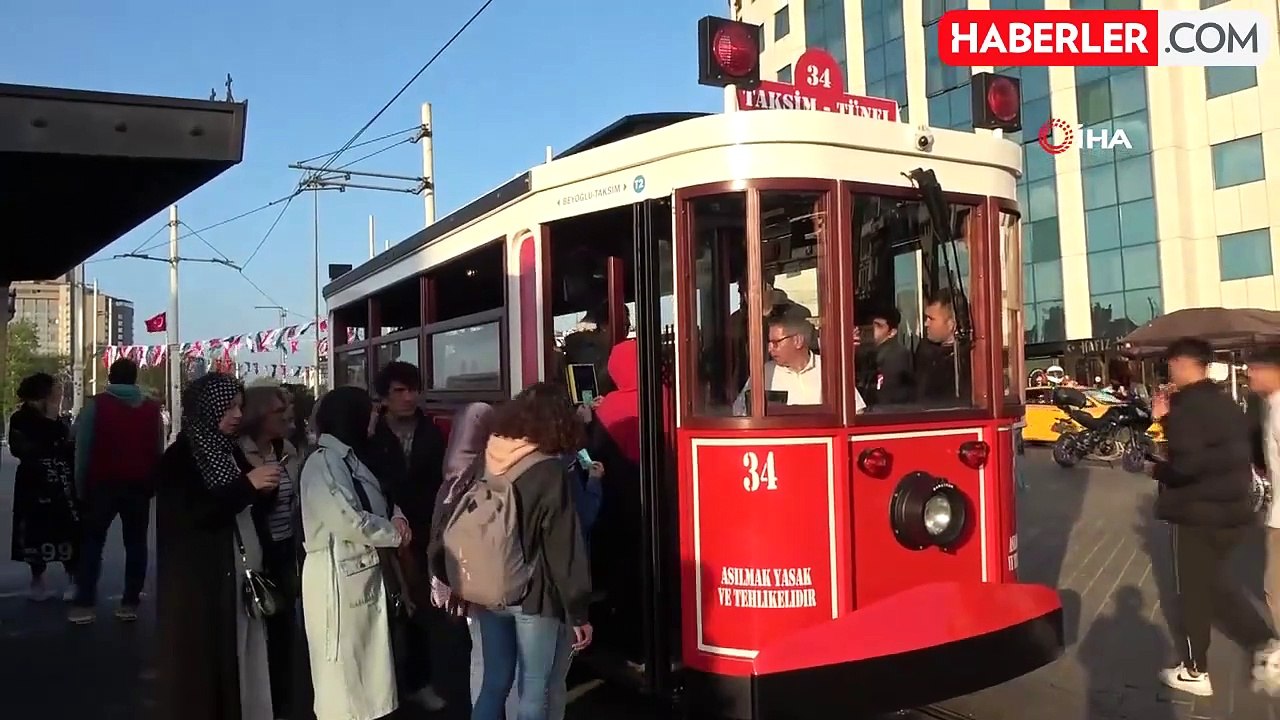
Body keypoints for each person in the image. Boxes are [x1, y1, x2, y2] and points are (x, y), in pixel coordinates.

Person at [1149, 337, 1277, 697]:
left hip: (1196, 510)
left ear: (1180, 364)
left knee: (1193, 591)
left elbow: (1185, 464)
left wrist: (1155, 468)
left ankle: (1196, 669)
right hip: (1233, 510)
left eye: (1171, 364)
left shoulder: (1187, 407)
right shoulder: (1226, 403)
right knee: (1215, 585)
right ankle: (1265, 644)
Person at [154, 373, 280, 720]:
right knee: (206, 665)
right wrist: (248, 487)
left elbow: (245, 507)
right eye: (227, 407)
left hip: (238, 577)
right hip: (203, 584)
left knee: (245, 657)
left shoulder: (228, 451)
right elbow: (194, 516)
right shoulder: (181, 459)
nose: (237, 414)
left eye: (239, 405)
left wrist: (263, 491)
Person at [467, 382, 594, 720]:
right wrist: (579, 613)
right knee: (534, 689)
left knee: (494, 683)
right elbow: (564, 549)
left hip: (489, 587)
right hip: (534, 596)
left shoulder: (490, 457)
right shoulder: (550, 471)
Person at [300, 385, 414, 720]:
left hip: (361, 575)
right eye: (369, 411)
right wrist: (395, 534)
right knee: (345, 681)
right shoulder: (322, 464)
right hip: (337, 579)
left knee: (367, 677)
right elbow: (348, 519)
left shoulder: (351, 458)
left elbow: (380, 500)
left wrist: (396, 517)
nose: (375, 417)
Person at [365, 361, 448, 712]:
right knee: (383, 609)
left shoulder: (431, 431)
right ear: (384, 397)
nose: (408, 397)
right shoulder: (372, 435)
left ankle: (418, 681)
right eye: (399, 390)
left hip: (423, 526)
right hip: (382, 529)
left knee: (419, 609)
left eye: (413, 389)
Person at [68, 358, 163, 624]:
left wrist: (80, 486)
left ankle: (84, 604)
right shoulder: (152, 409)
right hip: (139, 486)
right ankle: (129, 603)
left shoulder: (96, 406)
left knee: (92, 543)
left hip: (102, 485)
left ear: (110, 377)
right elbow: (158, 449)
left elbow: (82, 450)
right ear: (135, 378)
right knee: (136, 544)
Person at [238, 385, 303, 719]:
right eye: (279, 411)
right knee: (252, 629)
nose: (287, 416)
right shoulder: (238, 451)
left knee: (282, 629)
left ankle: (281, 703)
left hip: (284, 548)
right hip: (252, 551)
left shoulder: (288, 449)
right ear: (259, 415)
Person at [7, 373, 78, 602]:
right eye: (54, 389)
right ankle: (37, 578)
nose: (58, 394)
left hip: (60, 481)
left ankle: (72, 576)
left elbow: (67, 446)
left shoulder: (58, 418)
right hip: (34, 481)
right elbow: (19, 448)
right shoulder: (21, 418)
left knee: (65, 528)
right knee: (34, 530)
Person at [855, 306, 914, 406]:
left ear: (892, 332)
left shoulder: (896, 355)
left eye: (878, 325)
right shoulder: (870, 352)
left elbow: (887, 394)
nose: (873, 329)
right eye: (871, 324)